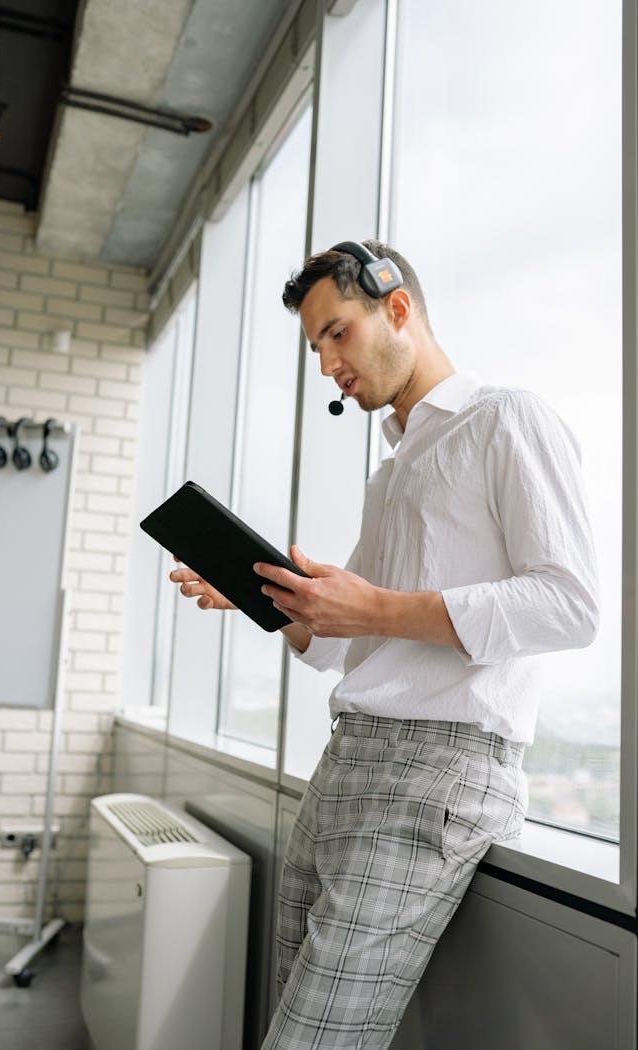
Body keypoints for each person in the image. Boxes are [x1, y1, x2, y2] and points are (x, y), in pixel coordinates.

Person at [170, 240, 599, 1050]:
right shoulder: (393, 473)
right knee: (291, 1022)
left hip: (435, 769)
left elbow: (569, 605)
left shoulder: (507, 419)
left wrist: (374, 605)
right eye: (317, 347)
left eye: (338, 333)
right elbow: (344, 643)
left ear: (397, 308)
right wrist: (267, 598)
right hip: (346, 765)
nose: (329, 362)